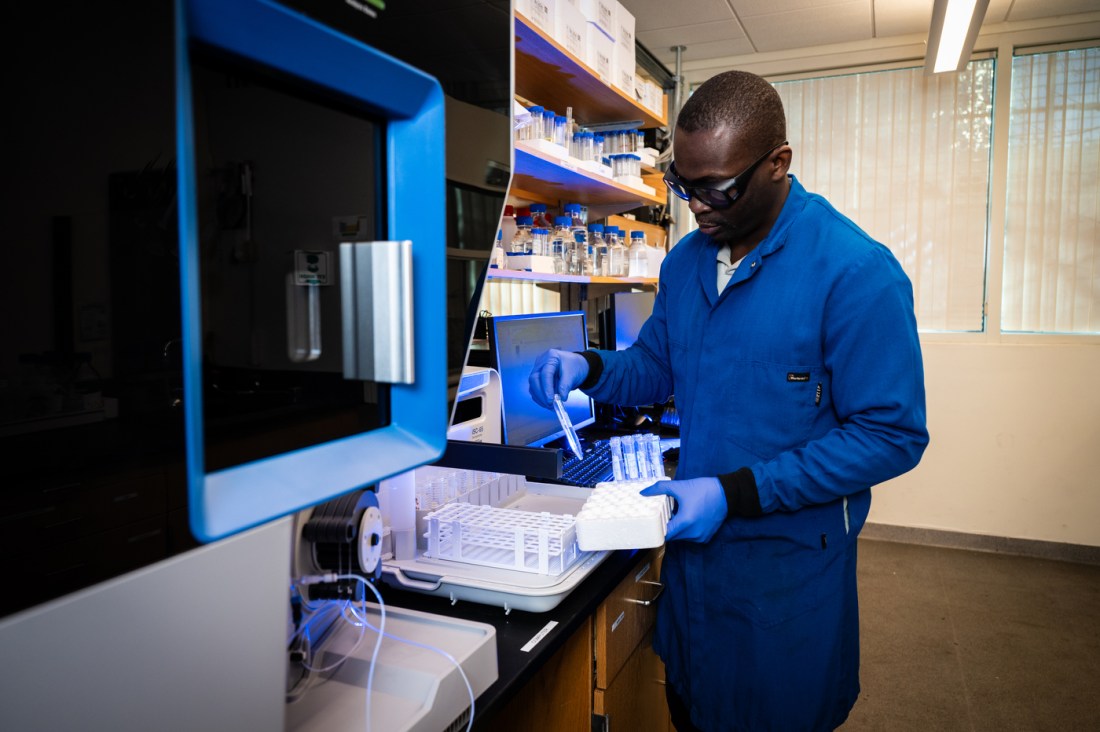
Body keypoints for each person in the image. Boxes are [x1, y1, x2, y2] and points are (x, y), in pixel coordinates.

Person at [528, 70, 929, 731]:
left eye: (716, 188)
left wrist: (733, 493)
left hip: (784, 581)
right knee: (691, 706)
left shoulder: (856, 273)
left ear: (779, 163)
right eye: (684, 186)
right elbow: (655, 368)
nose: (696, 206)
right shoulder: (686, 263)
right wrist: (586, 365)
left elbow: (890, 435)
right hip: (695, 579)